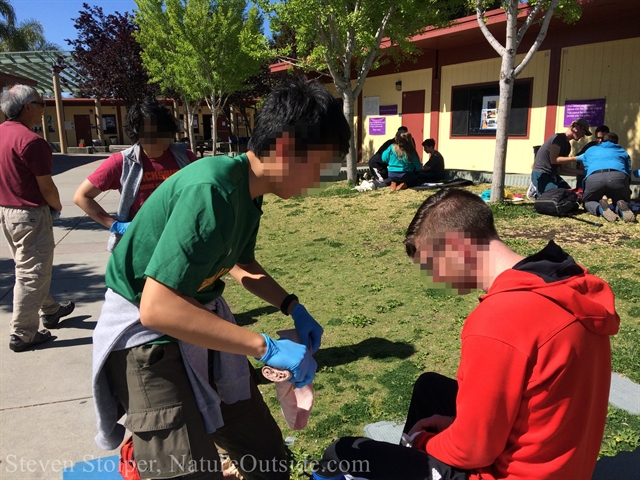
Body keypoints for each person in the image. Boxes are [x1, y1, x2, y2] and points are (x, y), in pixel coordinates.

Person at [92, 77, 351, 480]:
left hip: (195, 320)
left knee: (268, 459)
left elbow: (240, 265)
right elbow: (157, 308)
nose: (318, 181)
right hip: (148, 343)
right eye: (320, 165)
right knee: (187, 471)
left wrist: (293, 307)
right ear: (285, 150)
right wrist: (262, 346)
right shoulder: (211, 189)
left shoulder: (248, 192)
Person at [315, 188, 619, 480]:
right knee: (430, 388)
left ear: (457, 247)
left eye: (430, 265)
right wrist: (450, 426)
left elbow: (473, 450)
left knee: (340, 455)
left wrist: (421, 442)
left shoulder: (500, 319)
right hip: (563, 465)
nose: (432, 279)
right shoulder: (561, 282)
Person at [0, 85, 75, 352]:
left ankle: (51, 310)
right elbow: (47, 187)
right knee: (32, 273)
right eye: (40, 103)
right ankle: (22, 333)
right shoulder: (32, 142)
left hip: (7, 214)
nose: (44, 108)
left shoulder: (2, 135)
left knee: (30, 267)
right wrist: (56, 207)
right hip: (30, 214)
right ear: (27, 107)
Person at [74, 98, 197, 251]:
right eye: (151, 134)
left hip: (180, 240)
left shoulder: (185, 157)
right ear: (138, 134)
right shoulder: (121, 162)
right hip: (141, 245)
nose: (159, 139)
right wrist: (115, 225)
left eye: (163, 132)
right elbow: (81, 196)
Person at [558, 132, 634, 223]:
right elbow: (628, 171)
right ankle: (622, 206)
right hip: (618, 177)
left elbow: (583, 164)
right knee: (621, 199)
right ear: (616, 143)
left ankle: (600, 208)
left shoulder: (591, 150)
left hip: (595, 177)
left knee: (589, 201)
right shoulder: (622, 151)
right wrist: (626, 189)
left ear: (602, 141)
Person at [530, 118, 591, 196]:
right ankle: (535, 189)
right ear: (576, 128)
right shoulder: (558, 138)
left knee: (570, 195)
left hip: (552, 175)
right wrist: (576, 158)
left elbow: (563, 168)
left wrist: (584, 172)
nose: (583, 136)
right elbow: (554, 160)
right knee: (555, 196)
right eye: (584, 131)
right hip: (541, 173)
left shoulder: (567, 146)